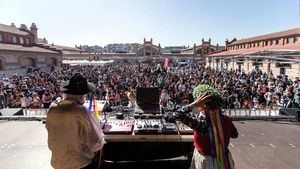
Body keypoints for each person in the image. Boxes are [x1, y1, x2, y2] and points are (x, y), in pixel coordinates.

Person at [167, 84, 238, 169]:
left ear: (201, 105)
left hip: (207, 162)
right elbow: (235, 134)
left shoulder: (201, 123)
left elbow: (173, 116)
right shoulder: (226, 119)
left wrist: (192, 104)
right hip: (225, 160)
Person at [46, 73, 106, 169]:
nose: (85, 97)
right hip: (80, 164)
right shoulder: (82, 112)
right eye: (84, 95)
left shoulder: (52, 109)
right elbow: (96, 144)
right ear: (79, 96)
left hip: (57, 163)